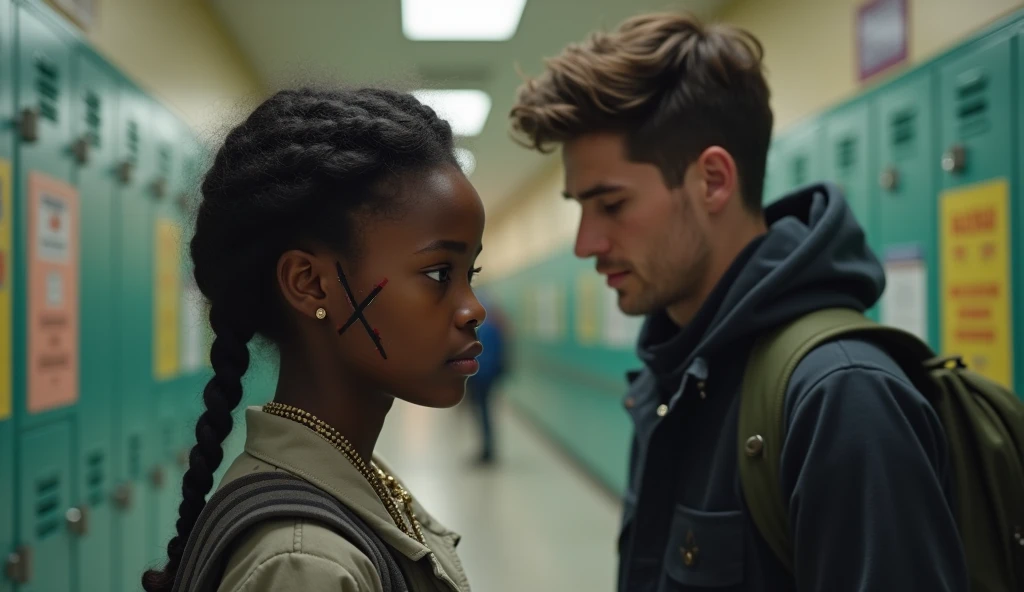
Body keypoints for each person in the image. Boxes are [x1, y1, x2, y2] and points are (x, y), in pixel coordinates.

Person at [509, 12, 968, 592]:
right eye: (579, 206)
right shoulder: (668, 381)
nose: (585, 243)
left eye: (611, 204)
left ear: (713, 181)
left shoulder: (841, 397)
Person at [142, 87, 484, 592]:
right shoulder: (307, 565)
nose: (473, 308)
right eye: (438, 274)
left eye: (470, 273)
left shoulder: (357, 480)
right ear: (309, 283)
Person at [466, 291, 510, 464]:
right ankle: (487, 448)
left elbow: (485, 357)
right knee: (485, 413)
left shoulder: (488, 329)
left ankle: (487, 451)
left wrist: (473, 376)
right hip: (487, 377)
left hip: (482, 378)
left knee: (483, 413)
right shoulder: (495, 327)